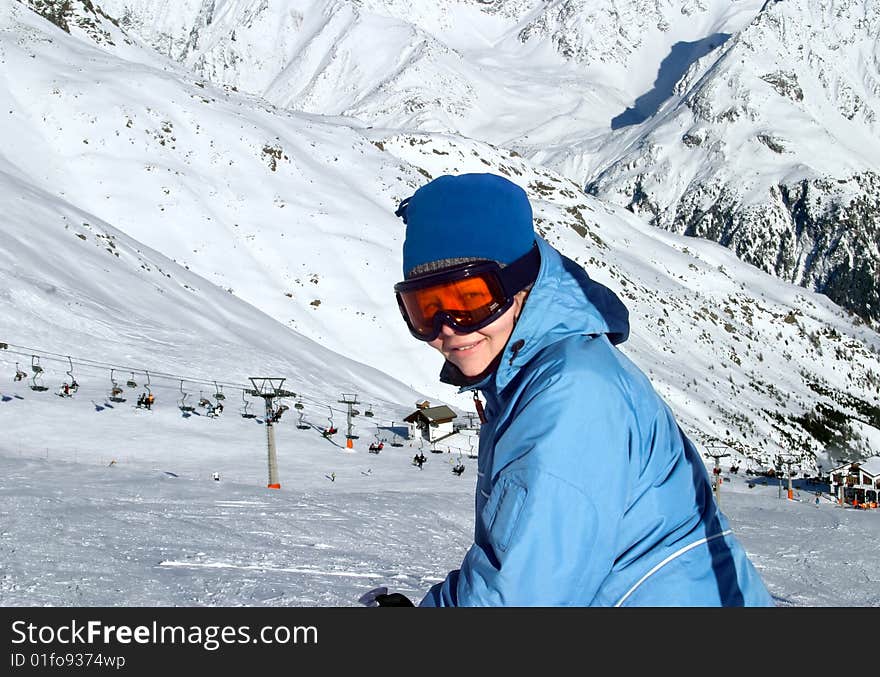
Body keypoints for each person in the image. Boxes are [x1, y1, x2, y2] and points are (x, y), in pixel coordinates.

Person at [387, 172, 774, 607]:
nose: (448, 327)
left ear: (519, 283)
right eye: (425, 309)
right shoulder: (533, 376)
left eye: (470, 299)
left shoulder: (569, 394)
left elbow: (520, 597)